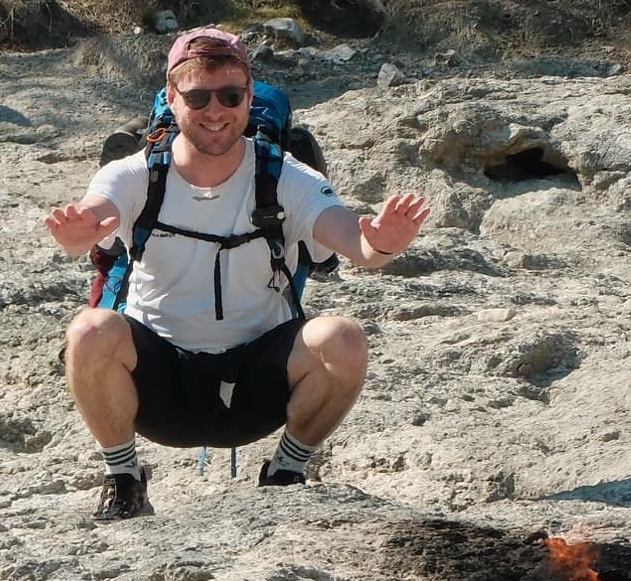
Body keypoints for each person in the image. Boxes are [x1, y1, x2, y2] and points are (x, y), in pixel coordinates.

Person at [43, 27, 432, 521]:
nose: (215, 111)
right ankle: (124, 480)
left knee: (344, 339)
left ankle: (287, 471)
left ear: (249, 97)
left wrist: (379, 241)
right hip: (157, 388)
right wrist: (78, 235)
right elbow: (96, 213)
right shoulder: (135, 173)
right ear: (171, 97)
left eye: (230, 95)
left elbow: (355, 242)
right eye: (198, 96)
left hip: (257, 386)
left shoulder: (285, 176)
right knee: (89, 330)